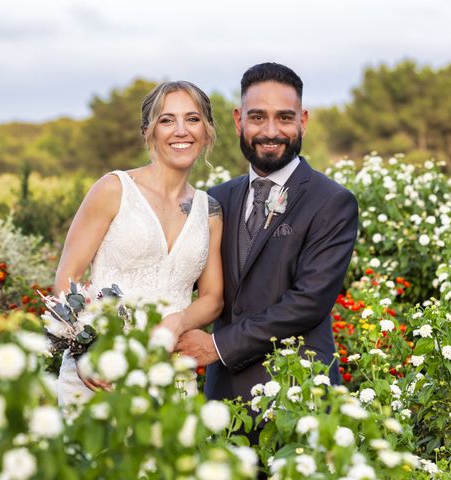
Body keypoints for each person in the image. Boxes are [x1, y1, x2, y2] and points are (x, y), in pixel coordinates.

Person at [177, 62, 359, 405]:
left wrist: (218, 345)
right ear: (238, 120)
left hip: (298, 394)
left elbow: (307, 302)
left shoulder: (332, 202)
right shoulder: (216, 199)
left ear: (302, 121)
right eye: (258, 117)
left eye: (285, 118)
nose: (270, 131)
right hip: (224, 399)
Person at [54, 81, 224, 406]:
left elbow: (213, 298)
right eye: (166, 120)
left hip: (170, 376)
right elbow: (67, 278)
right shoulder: (114, 189)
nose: (181, 130)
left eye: (192, 118)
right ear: (148, 131)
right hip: (103, 372)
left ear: (207, 131)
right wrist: (86, 350)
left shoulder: (210, 211)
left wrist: (180, 321)